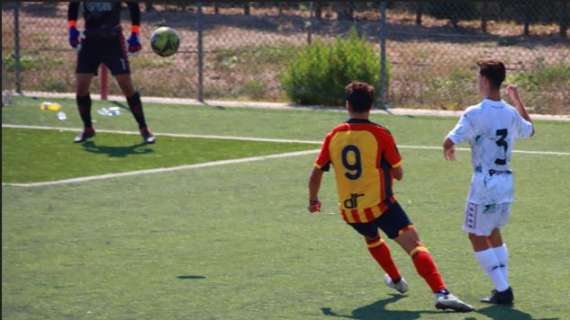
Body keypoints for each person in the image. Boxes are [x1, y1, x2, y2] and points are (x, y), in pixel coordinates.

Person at [308, 81, 473, 312]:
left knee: (372, 238)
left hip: (351, 212)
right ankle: (441, 292)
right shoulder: (379, 133)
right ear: (371, 106)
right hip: (381, 205)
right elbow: (399, 173)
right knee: (414, 244)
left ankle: (396, 280)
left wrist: (313, 200)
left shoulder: (333, 135)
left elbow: (316, 172)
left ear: (347, 106)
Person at [443, 60, 534, 305]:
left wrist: (448, 148)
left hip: (485, 182)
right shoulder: (510, 113)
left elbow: (450, 139)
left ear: (484, 80)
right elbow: (530, 129)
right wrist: (516, 100)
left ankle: (503, 289)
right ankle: (502, 288)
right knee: (492, 231)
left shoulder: (475, 112)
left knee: (475, 234)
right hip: (506, 181)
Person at [68, 1, 155, 144]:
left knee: (126, 86)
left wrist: (135, 34)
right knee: (81, 87)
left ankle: (144, 129)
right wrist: (72, 29)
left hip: (113, 42)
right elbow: (73, 4)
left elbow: (133, 6)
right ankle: (88, 129)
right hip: (90, 41)